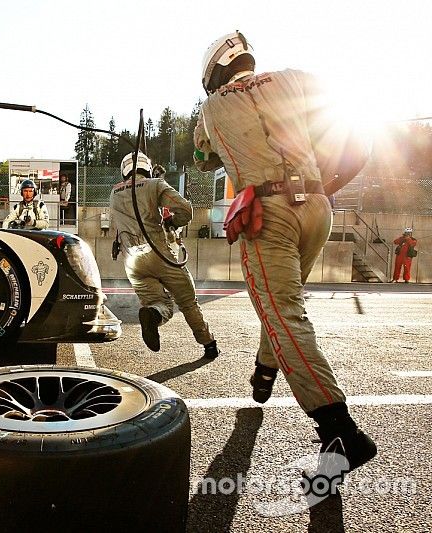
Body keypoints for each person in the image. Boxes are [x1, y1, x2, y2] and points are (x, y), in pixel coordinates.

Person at [193, 31, 376, 477]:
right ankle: (264, 372)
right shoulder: (297, 79)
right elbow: (358, 144)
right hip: (317, 207)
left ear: (214, 73)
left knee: (283, 315)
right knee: (282, 305)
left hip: (267, 214)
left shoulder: (212, 106)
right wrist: (323, 186)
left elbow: (202, 158)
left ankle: (340, 431)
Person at [109, 151, 219, 359]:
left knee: (159, 304)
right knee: (188, 302)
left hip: (133, 262)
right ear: (146, 167)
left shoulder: (114, 193)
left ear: (124, 170)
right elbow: (186, 210)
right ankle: (209, 344)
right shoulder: (154, 185)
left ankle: (153, 314)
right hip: (160, 254)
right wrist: (171, 223)